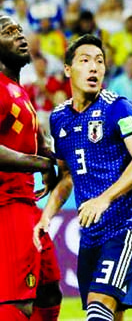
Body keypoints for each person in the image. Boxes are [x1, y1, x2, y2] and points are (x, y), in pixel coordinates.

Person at [34, 34, 132, 321]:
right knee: (111, 315)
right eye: (85, 61)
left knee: (98, 308)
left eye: (99, 62)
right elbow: (66, 176)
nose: (94, 68)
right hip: (90, 236)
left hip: (125, 227)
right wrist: (47, 216)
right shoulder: (59, 118)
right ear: (68, 69)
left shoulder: (118, 108)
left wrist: (104, 199)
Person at [0, 16, 62, 321]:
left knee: (49, 290)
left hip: (27, 204)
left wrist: (52, 155)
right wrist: (42, 163)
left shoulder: (17, 89)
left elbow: (33, 139)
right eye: (8, 32)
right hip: (6, 206)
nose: (19, 36)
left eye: (19, 31)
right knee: (18, 303)